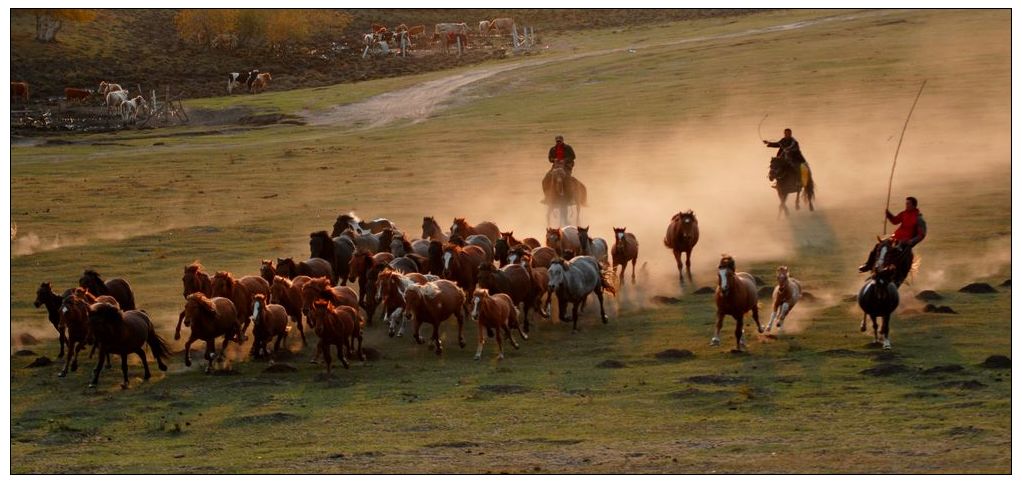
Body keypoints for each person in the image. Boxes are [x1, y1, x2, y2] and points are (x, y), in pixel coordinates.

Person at [858, 196, 927, 273]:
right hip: (895, 238)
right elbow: (895, 221)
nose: (906, 205)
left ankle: (890, 267)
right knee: (879, 245)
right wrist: (889, 215)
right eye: (906, 203)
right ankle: (869, 265)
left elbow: (921, 235)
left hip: (905, 241)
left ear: (913, 205)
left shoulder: (918, 218)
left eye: (908, 204)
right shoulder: (904, 214)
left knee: (895, 250)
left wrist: (912, 241)